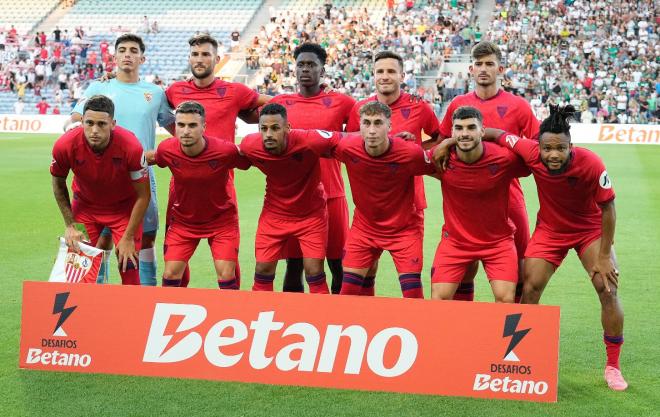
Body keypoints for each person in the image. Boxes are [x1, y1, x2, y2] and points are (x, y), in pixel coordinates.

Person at [481, 104, 627, 391]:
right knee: (529, 285)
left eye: (560, 148)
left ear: (571, 146)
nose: (553, 154)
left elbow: (608, 208)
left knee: (607, 287)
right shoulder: (530, 151)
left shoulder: (591, 163)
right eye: (547, 148)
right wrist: (453, 139)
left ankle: (613, 366)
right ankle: (517, 357)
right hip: (550, 230)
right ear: (538, 146)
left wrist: (604, 256)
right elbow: (497, 134)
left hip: (590, 230)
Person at [437, 41, 540, 302]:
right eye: (479, 64)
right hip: (465, 196)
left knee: (518, 266)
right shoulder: (458, 104)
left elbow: (537, 146)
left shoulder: (518, 106)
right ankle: (466, 327)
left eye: (489, 64)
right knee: (464, 267)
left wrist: (503, 139)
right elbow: (440, 143)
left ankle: (513, 331)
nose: (483, 69)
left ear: (500, 68)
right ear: (471, 69)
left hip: (508, 194)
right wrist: (449, 141)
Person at [68, 34, 175, 286]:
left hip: (141, 175)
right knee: (102, 239)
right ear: (114, 57)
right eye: (123, 50)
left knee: (146, 237)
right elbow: (75, 120)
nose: (128, 54)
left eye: (133, 50)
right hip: (102, 176)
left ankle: (146, 297)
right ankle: (100, 296)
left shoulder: (155, 93)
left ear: (142, 58)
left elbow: (175, 127)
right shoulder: (98, 87)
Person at [165, 33, 270, 287]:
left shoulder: (233, 91)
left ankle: (232, 309)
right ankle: (175, 306)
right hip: (182, 185)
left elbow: (270, 105)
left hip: (221, 185)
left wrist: (253, 119)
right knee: (174, 263)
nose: (199, 60)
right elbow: (149, 106)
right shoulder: (174, 90)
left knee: (227, 266)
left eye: (205, 55)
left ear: (217, 59)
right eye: (195, 54)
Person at [345, 50, 440, 294]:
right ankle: (366, 328)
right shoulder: (361, 109)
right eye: (380, 71)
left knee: (411, 288)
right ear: (373, 76)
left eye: (390, 71)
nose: (385, 76)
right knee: (363, 278)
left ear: (402, 75)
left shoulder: (419, 107)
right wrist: (390, 141)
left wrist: (414, 151)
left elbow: (439, 139)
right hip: (369, 210)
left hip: (407, 209)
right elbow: (351, 143)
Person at [269, 42, 356, 294]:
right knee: (294, 265)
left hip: (332, 195)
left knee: (338, 264)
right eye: (301, 65)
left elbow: (358, 137)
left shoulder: (343, 103)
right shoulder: (280, 103)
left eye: (311, 65)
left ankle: (339, 323)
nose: (305, 69)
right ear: (294, 70)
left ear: (323, 70)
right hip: (295, 200)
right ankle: (291, 323)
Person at [335, 102, 437, 298]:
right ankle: (365, 325)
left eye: (378, 123)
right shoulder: (347, 148)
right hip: (364, 228)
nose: (372, 130)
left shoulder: (410, 153)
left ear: (389, 126)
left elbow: (444, 170)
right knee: (347, 294)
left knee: (413, 295)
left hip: (404, 229)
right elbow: (314, 142)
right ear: (359, 127)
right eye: (367, 123)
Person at [239, 103, 343, 294]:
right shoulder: (249, 145)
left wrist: (392, 141)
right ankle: (258, 318)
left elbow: (346, 139)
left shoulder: (309, 140)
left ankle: (323, 318)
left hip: (311, 216)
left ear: (287, 128)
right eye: (264, 128)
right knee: (262, 270)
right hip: (274, 215)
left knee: (314, 271)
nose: (269, 134)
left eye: (275, 128)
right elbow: (226, 154)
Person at [145, 101, 250, 289]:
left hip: (222, 222)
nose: (185, 131)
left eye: (192, 125)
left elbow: (251, 159)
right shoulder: (167, 149)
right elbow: (148, 158)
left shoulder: (224, 151)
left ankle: (231, 316)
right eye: (181, 125)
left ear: (204, 127)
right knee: (170, 275)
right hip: (184, 223)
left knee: (226, 275)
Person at [430, 106, 529, 302]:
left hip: (498, 242)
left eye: (471, 128)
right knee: (438, 301)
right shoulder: (441, 159)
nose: (464, 133)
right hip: (455, 242)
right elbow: (405, 159)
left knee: (505, 300)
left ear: (482, 131)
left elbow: (534, 159)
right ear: (452, 132)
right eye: (458, 128)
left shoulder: (504, 158)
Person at [50, 95, 150, 285]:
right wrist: (71, 225)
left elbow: (144, 195)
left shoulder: (131, 146)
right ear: (81, 122)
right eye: (89, 123)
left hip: (124, 211)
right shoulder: (65, 145)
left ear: (113, 123)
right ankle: (82, 312)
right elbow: (58, 183)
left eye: (102, 124)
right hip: (84, 210)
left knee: (129, 266)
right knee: (77, 266)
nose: (94, 130)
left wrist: (128, 237)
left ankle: (132, 313)